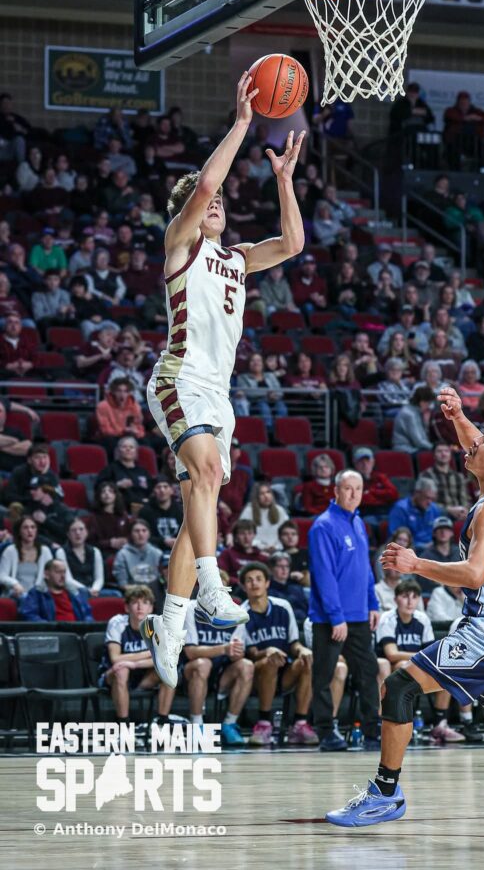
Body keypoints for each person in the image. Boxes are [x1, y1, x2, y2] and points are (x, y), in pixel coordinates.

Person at [326, 387, 484, 831]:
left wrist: (415, 564)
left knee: (400, 686)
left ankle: (385, 792)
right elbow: (480, 448)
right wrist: (458, 416)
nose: (474, 443)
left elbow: (474, 575)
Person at [140, 73, 306, 690]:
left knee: (197, 508)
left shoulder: (236, 258)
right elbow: (208, 180)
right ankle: (211, 585)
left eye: (218, 204)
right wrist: (242, 123)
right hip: (178, 377)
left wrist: (285, 182)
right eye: (203, 202)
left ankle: (172, 621)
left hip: (219, 395)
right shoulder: (180, 245)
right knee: (206, 477)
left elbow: (292, 242)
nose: (213, 204)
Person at [308, 470, 381, 752]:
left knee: (368, 672)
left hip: (360, 616)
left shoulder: (359, 523)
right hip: (331, 620)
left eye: (358, 489)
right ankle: (326, 732)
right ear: (335, 491)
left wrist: (372, 603)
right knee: (324, 675)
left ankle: (373, 731)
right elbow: (324, 575)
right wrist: (336, 616)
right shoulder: (323, 526)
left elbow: (364, 569)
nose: (353, 494)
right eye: (347, 489)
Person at [239, 561, 318, 746]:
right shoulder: (241, 613)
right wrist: (268, 651)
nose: (254, 583)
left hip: (285, 673)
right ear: (243, 586)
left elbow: (293, 643)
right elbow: (249, 654)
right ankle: (264, 723)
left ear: (267, 583)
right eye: (249, 580)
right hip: (257, 675)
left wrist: (302, 650)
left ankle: (299, 724)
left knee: (307, 660)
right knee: (270, 661)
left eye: (259, 579)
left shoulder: (283, 606)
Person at [376, 578, 463, 744]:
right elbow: (391, 654)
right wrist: (419, 656)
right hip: (391, 668)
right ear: (395, 600)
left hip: (415, 664)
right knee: (402, 665)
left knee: (446, 669)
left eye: (414, 596)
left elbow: (429, 654)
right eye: (405, 596)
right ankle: (383, 721)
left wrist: (420, 658)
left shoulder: (422, 619)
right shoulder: (388, 618)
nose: (410, 601)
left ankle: (440, 723)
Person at [98, 585, 175, 721]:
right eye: (135, 602)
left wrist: (134, 664)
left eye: (145, 603)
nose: (140, 607)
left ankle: (163, 721)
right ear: (127, 608)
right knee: (122, 670)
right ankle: (124, 724)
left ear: (151, 608)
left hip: (143, 677)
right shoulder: (117, 623)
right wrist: (149, 652)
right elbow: (115, 659)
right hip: (113, 675)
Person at [182, 598, 254, 743]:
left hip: (221, 673)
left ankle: (229, 724)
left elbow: (236, 653)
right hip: (189, 672)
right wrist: (223, 649)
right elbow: (190, 652)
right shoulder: (190, 608)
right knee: (203, 664)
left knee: (246, 665)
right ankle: (196, 725)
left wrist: (236, 653)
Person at [20, 558, 93, 622]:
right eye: (58, 572)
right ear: (47, 574)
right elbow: (30, 615)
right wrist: (49, 628)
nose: (63, 576)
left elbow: (87, 615)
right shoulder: (37, 593)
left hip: (76, 633)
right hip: (52, 634)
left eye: (64, 572)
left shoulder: (75, 592)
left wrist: (86, 627)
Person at [0, 516, 52, 599]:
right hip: (15, 594)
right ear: (19, 532)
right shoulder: (10, 551)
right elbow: (2, 575)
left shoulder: (45, 551)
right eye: (25, 527)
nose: (30, 530)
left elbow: (51, 575)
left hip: (38, 596)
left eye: (33, 527)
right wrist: (14, 584)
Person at [54, 518, 107, 597]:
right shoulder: (61, 552)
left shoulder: (95, 551)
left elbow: (99, 578)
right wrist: (86, 590)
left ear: (86, 532)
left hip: (94, 590)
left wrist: (95, 589)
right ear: (68, 534)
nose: (78, 533)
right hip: (74, 591)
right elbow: (67, 579)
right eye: (73, 530)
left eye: (81, 529)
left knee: (116, 594)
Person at [387, 477, 442, 549]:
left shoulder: (434, 509)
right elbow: (395, 538)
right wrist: (422, 546)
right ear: (417, 493)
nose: (430, 502)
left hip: (432, 550)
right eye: (427, 498)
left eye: (432, 499)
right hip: (410, 550)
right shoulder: (400, 509)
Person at [423, 442, 470, 520]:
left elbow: (465, 499)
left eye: (446, 451)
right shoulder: (427, 476)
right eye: (439, 451)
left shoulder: (458, 476)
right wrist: (449, 510)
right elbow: (427, 503)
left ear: (450, 455)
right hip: (438, 516)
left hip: (461, 515)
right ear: (434, 455)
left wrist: (464, 511)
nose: (443, 454)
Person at [414, 517, 460, 595]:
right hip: (434, 595)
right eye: (439, 529)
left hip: (458, 594)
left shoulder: (459, 552)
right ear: (434, 533)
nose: (443, 532)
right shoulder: (426, 555)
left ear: (451, 533)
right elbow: (423, 582)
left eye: (446, 529)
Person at [218, 519, 270, 587]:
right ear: (236, 536)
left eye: (250, 533)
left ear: (254, 535)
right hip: (234, 590)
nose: (246, 537)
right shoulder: (227, 554)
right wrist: (241, 583)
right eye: (242, 534)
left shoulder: (262, 558)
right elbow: (222, 575)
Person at [113, 519, 164, 588]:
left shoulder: (158, 553)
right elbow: (123, 584)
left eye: (144, 530)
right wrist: (142, 592)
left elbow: (163, 580)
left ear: (149, 534)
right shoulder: (122, 555)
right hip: (133, 593)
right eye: (137, 531)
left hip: (156, 592)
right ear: (130, 534)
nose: (141, 534)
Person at [240, 482, 289, 552]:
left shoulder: (280, 510)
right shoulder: (249, 511)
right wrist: (262, 547)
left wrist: (276, 546)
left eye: (268, 492)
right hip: (255, 550)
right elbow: (243, 534)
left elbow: (286, 532)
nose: (266, 496)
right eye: (262, 494)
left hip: (277, 550)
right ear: (256, 497)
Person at [138, 477, 184, 551]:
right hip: (153, 550)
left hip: (180, 549)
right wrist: (163, 541)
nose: (162, 490)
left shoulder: (181, 510)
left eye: (165, 487)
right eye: (158, 487)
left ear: (171, 490)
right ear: (154, 491)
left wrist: (178, 541)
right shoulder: (145, 511)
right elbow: (142, 536)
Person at [351, 448, 399, 514]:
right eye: (361, 462)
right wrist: (382, 497)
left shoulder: (381, 477)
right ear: (355, 464)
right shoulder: (351, 479)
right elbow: (357, 501)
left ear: (373, 462)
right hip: (364, 514)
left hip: (384, 512)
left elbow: (394, 494)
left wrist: (371, 492)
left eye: (368, 461)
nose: (365, 465)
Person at [266, 551, 308, 621]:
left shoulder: (297, 589)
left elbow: (306, 609)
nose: (284, 569)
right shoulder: (268, 591)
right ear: (271, 569)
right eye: (280, 566)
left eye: (287, 566)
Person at [391, 386, 434, 453]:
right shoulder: (410, 415)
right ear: (422, 402)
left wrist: (426, 423)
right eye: (429, 403)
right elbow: (418, 441)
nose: (429, 406)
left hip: (414, 448)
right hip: (406, 449)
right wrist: (435, 448)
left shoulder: (415, 412)